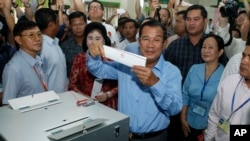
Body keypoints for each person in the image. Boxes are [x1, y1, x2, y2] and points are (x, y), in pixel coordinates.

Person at [87, 20, 182, 140]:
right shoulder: (127, 64)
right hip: (124, 135)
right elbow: (99, 70)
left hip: (155, 137)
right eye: (146, 39)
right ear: (139, 42)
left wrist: (155, 83)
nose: (150, 45)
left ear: (164, 43)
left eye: (157, 40)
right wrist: (93, 55)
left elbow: (174, 109)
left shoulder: (172, 72)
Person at [163, 5, 209, 141]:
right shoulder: (175, 45)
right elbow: (164, 75)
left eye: (196, 19)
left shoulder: (212, 45)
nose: (191, 23)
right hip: (175, 108)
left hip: (202, 110)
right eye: (188, 19)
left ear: (205, 21)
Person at [180, 34, 225, 141]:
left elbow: (224, 108)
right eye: (204, 47)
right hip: (189, 121)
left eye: (210, 47)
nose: (206, 50)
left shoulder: (225, 75)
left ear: (220, 52)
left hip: (210, 127)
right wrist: (182, 119)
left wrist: (212, 130)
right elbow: (185, 94)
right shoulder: (194, 69)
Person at [204, 38, 250, 141]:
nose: (244, 61)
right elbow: (214, 113)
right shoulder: (229, 82)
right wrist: (209, 138)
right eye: (243, 55)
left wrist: (232, 133)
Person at [69, 22, 118, 109]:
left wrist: (108, 94)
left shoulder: (112, 59)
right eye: (90, 38)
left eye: (97, 38)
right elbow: (72, 85)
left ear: (104, 40)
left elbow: (122, 82)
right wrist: (86, 98)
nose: (93, 42)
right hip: (85, 104)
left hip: (108, 104)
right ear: (86, 40)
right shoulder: (79, 58)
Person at [2, 20, 47, 104]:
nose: (37, 39)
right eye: (31, 35)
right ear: (19, 40)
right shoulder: (13, 68)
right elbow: (8, 105)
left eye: (39, 34)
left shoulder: (38, 60)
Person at [35, 8, 67, 93]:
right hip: (50, 99)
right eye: (57, 22)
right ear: (51, 25)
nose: (59, 25)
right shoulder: (40, 48)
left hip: (62, 97)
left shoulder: (55, 43)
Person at [61, 11, 87, 77]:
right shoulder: (64, 46)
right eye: (74, 25)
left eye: (81, 24)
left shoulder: (92, 44)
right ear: (70, 26)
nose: (78, 27)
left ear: (86, 24)